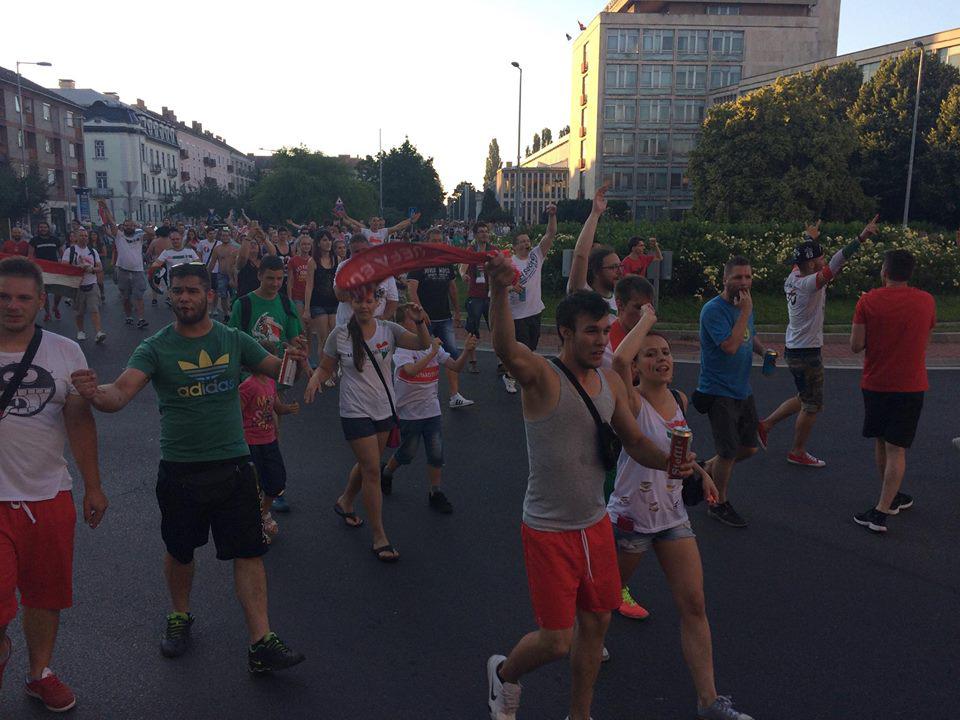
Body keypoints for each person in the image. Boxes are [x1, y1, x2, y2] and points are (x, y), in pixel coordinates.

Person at [483, 252, 694, 720]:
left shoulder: (611, 383)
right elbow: (506, 348)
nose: (601, 341)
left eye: (604, 331)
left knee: (596, 625)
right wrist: (498, 290)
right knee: (557, 640)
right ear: (565, 333)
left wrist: (674, 464)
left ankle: (580, 714)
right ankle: (504, 674)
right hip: (548, 528)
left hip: (595, 525)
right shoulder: (542, 376)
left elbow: (635, 441)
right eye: (591, 332)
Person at [70, 262, 307, 673]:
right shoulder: (156, 347)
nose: (184, 298)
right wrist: (93, 393)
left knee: (249, 553)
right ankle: (180, 615)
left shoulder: (233, 339)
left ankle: (261, 641)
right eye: (177, 291)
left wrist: (295, 359)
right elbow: (119, 394)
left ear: (208, 296)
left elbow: (281, 376)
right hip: (181, 470)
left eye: (192, 290)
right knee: (180, 552)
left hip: (234, 465)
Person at [608, 303, 754, 720]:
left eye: (666, 353)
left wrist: (703, 475)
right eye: (650, 354)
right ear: (637, 366)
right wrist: (647, 320)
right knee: (604, 598)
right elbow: (616, 361)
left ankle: (709, 700)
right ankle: (589, 638)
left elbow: (681, 451)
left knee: (694, 605)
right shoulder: (631, 402)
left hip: (673, 517)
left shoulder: (679, 399)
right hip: (632, 517)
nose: (662, 359)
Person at [0, 257, 108, 713]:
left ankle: (39, 673)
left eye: (23, 297)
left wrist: (93, 486)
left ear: (41, 301)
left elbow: (79, 423)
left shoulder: (65, 352)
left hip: (48, 494)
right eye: (4, 296)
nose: (13, 305)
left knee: (45, 597)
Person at [304, 290, 431, 563]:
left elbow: (423, 344)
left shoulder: (389, 330)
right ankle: (379, 536)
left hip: (384, 407)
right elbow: (326, 367)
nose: (363, 305)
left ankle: (345, 500)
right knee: (373, 469)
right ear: (351, 303)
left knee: (367, 464)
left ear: (377, 303)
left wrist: (420, 321)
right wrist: (316, 378)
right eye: (359, 300)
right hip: (354, 410)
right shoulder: (339, 334)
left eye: (369, 301)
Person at [758, 217, 878, 467]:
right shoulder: (809, 283)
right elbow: (836, 263)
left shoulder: (793, 276)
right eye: (820, 258)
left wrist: (809, 239)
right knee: (812, 405)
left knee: (804, 397)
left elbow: (808, 259)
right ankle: (797, 451)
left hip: (794, 348)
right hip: (807, 353)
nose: (824, 260)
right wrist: (861, 238)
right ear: (812, 264)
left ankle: (765, 425)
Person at [850, 249, 935, 534]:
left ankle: (881, 512)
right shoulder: (926, 301)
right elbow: (926, 341)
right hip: (911, 385)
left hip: (876, 383)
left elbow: (855, 345)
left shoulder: (867, 301)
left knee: (883, 442)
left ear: (885, 272)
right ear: (910, 273)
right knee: (896, 447)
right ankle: (892, 496)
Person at [380, 303, 479, 512]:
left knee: (436, 453)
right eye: (413, 319)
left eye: (421, 318)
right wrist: (431, 352)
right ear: (401, 326)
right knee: (407, 452)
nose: (420, 322)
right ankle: (387, 472)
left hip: (431, 410)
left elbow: (455, 366)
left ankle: (435, 492)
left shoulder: (433, 346)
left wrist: (466, 351)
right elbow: (411, 371)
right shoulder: (403, 349)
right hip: (408, 413)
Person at [693, 256, 768, 529]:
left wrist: (763, 351)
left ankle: (705, 468)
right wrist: (745, 312)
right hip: (718, 390)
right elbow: (730, 346)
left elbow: (749, 334)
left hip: (742, 388)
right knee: (727, 452)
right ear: (725, 279)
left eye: (748, 277)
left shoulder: (745, 305)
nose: (744, 282)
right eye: (738, 277)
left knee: (748, 447)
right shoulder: (713, 310)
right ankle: (719, 503)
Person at [240, 342, 299, 541]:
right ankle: (255, 523)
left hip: (269, 440)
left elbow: (277, 407)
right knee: (253, 485)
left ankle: (263, 512)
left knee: (276, 480)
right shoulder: (247, 386)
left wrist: (288, 409)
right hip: (251, 443)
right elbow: (236, 413)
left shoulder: (271, 383)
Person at [407, 229, 473, 408]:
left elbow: (452, 287)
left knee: (451, 354)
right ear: (427, 242)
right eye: (433, 240)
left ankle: (454, 395)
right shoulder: (419, 262)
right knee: (421, 355)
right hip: (425, 319)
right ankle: (417, 395)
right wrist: (420, 312)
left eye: (439, 240)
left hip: (444, 317)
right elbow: (411, 289)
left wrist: (457, 311)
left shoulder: (446, 261)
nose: (436, 243)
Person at [498, 204, 557, 395]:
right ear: (515, 246)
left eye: (527, 240)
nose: (526, 243)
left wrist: (552, 216)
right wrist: (511, 287)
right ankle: (513, 377)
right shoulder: (509, 263)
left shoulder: (536, 256)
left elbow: (550, 234)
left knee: (531, 347)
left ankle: (518, 374)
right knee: (521, 349)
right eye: (522, 241)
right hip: (517, 314)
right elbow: (497, 289)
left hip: (535, 310)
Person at [566, 184, 621, 314]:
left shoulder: (617, 300)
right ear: (596, 271)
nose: (619, 272)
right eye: (613, 267)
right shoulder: (582, 294)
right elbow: (580, 255)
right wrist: (595, 214)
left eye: (619, 266)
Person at [228, 255, 303, 347]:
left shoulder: (287, 304)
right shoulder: (242, 304)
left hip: (279, 356)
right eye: (270, 278)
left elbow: (294, 339)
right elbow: (232, 340)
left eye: (279, 278)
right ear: (259, 276)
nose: (275, 283)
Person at [333, 235, 398, 326]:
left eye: (364, 250)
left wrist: (383, 318)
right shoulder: (343, 267)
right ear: (350, 253)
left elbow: (393, 300)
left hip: (376, 327)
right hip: (347, 325)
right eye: (356, 252)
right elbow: (340, 296)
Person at [102, 202, 148, 329]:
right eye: (126, 225)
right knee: (126, 297)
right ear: (123, 227)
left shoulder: (139, 236)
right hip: (123, 271)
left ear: (134, 226)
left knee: (139, 296)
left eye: (131, 225)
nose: (128, 227)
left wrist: (140, 225)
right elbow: (112, 222)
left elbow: (152, 234)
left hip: (138, 271)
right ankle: (128, 316)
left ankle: (141, 319)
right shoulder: (119, 236)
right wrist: (105, 208)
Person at [300, 232, 339, 371]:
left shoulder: (336, 259)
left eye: (329, 240)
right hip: (318, 304)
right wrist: (306, 309)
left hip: (334, 302)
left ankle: (332, 368)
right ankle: (323, 370)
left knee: (335, 337)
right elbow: (309, 285)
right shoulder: (313, 261)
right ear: (318, 243)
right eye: (324, 240)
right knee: (324, 338)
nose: (328, 243)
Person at [61, 229, 106, 344]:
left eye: (86, 236)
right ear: (76, 237)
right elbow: (64, 267)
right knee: (79, 312)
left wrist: (91, 269)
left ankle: (98, 332)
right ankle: (81, 331)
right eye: (81, 235)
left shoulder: (93, 251)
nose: (84, 237)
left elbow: (100, 267)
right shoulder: (70, 251)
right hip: (77, 285)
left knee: (94, 309)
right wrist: (78, 267)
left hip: (92, 284)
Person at [460, 222, 493, 374]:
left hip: (491, 296)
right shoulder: (471, 250)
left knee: (496, 329)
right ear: (475, 234)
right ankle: (472, 360)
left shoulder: (493, 250)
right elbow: (463, 266)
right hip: (475, 295)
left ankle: (502, 362)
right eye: (481, 232)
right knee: (472, 330)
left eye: (486, 231)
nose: (484, 234)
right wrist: (463, 274)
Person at [147, 229, 199, 301]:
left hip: (189, 283)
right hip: (174, 285)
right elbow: (156, 264)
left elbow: (198, 264)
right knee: (176, 304)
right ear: (170, 240)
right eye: (173, 239)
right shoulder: (166, 252)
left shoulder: (190, 251)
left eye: (177, 239)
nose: (175, 241)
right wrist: (151, 275)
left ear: (181, 239)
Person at [28, 223, 63, 321]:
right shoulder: (34, 240)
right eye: (41, 227)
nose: (43, 229)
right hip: (41, 270)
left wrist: (64, 265)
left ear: (48, 228)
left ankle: (55, 307)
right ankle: (47, 313)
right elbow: (30, 255)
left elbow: (62, 254)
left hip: (55, 270)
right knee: (44, 293)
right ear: (38, 229)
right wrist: (32, 267)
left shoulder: (55, 239)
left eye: (45, 227)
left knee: (59, 291)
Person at [207, 228, 240, 320]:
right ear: (220, 237)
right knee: (223, 296)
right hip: (221, 275)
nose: (225, 237)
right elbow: (212, 263)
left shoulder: (235, 248)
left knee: (234, 296)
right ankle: (226, 315)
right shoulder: (217, 249)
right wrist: (208, 273)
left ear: (230, 236)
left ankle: (234, 313)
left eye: (227, 235)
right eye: (223, 235)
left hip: (233, 275)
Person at [342, 212, 420, 245]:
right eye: (374, 221)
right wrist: (343, 218)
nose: (376, 223)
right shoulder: (365, 231)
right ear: (369, 222)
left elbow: (398, 227)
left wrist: (410, 220)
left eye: (378, 221)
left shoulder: (383, 231)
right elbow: (352, 225)